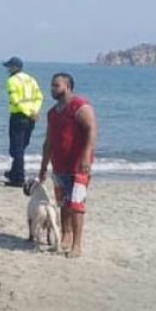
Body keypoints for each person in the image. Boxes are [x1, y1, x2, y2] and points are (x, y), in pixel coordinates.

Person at [37, 73, 97, 259]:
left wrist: (86, 156)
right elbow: (49, 141)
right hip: (59, 164)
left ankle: (77, 245)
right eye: (52, 85)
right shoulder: (52, 113)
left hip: (78, 165)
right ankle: (65, 236)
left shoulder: (80, 107)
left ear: (68, 86)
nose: (53, 89)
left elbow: (91, 130)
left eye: (57, 85)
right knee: (63, 203)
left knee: (76, 204)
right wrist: (43, 166)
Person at [2, 56, 43, 186]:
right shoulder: (31, 79)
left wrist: (27, 112)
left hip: (19, 116)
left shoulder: (12, 81)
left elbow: (15, 100)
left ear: (14, 68)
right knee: (22, 146)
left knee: (16, 148)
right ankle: (14, 172)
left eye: (9, 67)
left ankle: (19, 177)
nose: (8, 69)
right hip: (31, 117)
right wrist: (34, 112)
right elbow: (39, 97)